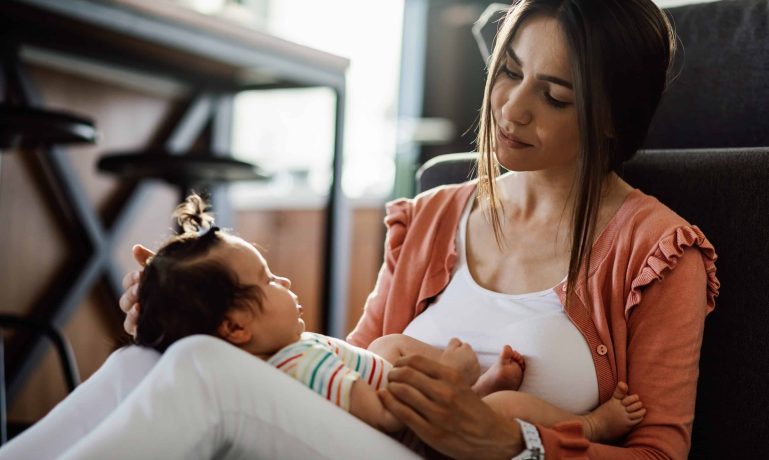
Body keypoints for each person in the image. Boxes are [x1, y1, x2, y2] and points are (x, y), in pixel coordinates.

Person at [0, 0, 719, 458]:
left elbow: (656, 453)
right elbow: (342, 364)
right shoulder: (436, 212)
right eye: (508, 72)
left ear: (611, 118)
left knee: (202, 372)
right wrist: (199, 311)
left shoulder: (657, 252)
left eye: (554, 95)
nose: (511, 109)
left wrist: (518, 441)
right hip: (376, 439)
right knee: (145, 362)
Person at [134, 194, 646, 442]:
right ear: (236, 329)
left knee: (389, 345)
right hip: (401, 442)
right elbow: (382, 418)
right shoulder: (296, 366)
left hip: (406, 417)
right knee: (510, 404)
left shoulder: (284, 359)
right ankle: (592, 425)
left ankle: (480, 391)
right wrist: (456, 378)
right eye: (267, 282)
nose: (284, 283)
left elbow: (356, 365)